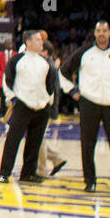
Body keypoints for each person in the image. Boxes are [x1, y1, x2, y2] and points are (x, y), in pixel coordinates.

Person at [62, 20, 110, 194]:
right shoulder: (84, 52)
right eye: (98, 30)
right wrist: (72, 92)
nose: (101, 33)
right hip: (89, 102)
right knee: (87, 145)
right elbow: (63, 72)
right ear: (95, 34)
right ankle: (90, 182)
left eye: (104, 30)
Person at [0, 30, 57, 184]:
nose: (41, 42)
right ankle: (5, 172)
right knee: (13, 140)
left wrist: (49, 102)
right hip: (22, 105)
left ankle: (28, 173)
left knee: (34, 142)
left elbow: (51, 84)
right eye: (37, 39)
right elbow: (7, 80)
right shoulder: (17, 60)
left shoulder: (45, 62)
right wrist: (13, 99)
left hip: (41, 107)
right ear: (28, 42)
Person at [36, 40, 70, 177]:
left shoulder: (48, 67)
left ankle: (42, 169)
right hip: (47, 108)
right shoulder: (48, 66)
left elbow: (52, 91)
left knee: (39, 139)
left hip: (46, 108)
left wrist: (52, 111)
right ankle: (57, 159)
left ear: (45, 52)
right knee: (38, 138)